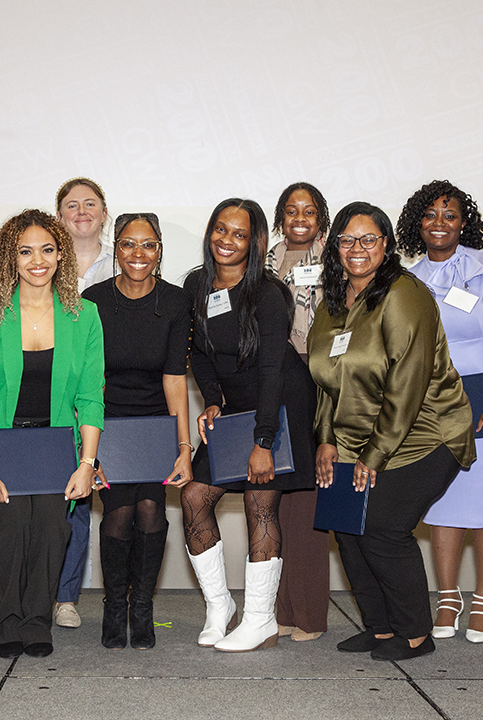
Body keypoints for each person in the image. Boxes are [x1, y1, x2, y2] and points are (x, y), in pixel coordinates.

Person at [307, 201, 475, 662]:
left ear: (386, 245)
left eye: (369, 239)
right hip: (350, 438)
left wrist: (372, 456)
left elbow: (408, 382)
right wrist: (325, 439)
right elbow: (324, 378)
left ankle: (415, 633)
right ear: (333, 246)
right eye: (347, 239)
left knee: (382, 527)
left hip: (424, 433)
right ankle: (380, 629)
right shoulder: (333, 303)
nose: (357, 248)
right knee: (347, 526)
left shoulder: (404, 294)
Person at [0, 208, 105, 659]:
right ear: (9, 258)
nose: (37, 260)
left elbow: (91, 398)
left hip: (58, 446)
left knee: (52, 530)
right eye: (24, 251)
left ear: (61, 255)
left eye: (46, 249)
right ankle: (7, 620)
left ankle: (38, 620)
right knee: (13, 526)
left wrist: (87, 464)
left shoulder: (86, 315)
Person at [182, 198, 317, 653]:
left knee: (261, 503)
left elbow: (273, 371)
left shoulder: (268, 293)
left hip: (276, 405)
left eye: (239, 234)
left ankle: (260, 620)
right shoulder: (196, 284)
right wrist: (214, 400)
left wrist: (264, 440)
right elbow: (198, 353)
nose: (227, 240)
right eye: (221, 229)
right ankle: (220, 607)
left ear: (254, 241)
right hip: (233, 405)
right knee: (194, 495)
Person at [397, 180, 483, 644]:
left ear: (465, 222)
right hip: (432, 399)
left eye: (450, 214)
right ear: (416, 224)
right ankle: (448, 598)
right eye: (430, 215)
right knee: (441, 496)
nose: (439, 223)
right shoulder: (408, 277)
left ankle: (482, 600)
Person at [82, 213, 194, 649]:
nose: (138, 254)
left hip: (154, 426)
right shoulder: (92, 301)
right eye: (129, 244)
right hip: (106, 422)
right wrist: (87, 450)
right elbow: (89, 381)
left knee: (150, 509)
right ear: (117, 248)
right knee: (119, 512)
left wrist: (183, 447)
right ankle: (115, 606)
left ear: (160, 249)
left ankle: (141, 605)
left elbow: (173, 379)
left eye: (148, 245)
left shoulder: (175, 301)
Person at [264, 182, 331, 642]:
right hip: (272, 381)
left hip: (318, 379)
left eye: (309, 210)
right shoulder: (263, 261)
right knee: (278, 499)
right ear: (280, 218)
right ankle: (281, 609)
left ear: (321, 217)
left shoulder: (338, 258)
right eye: (291, 210)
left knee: (306, 499)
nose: (299, 217)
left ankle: (308, 614)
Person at [51, 176, 113, 628]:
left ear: (104, 213)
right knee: (65, 503)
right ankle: (59, 596)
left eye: (90, 204)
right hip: (57, 398)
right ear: (59, 217)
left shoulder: (124, 263)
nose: (81, 211)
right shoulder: (42, 265)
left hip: (111, 401)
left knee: (91, 499)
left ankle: (72, 597)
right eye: (71, 205)